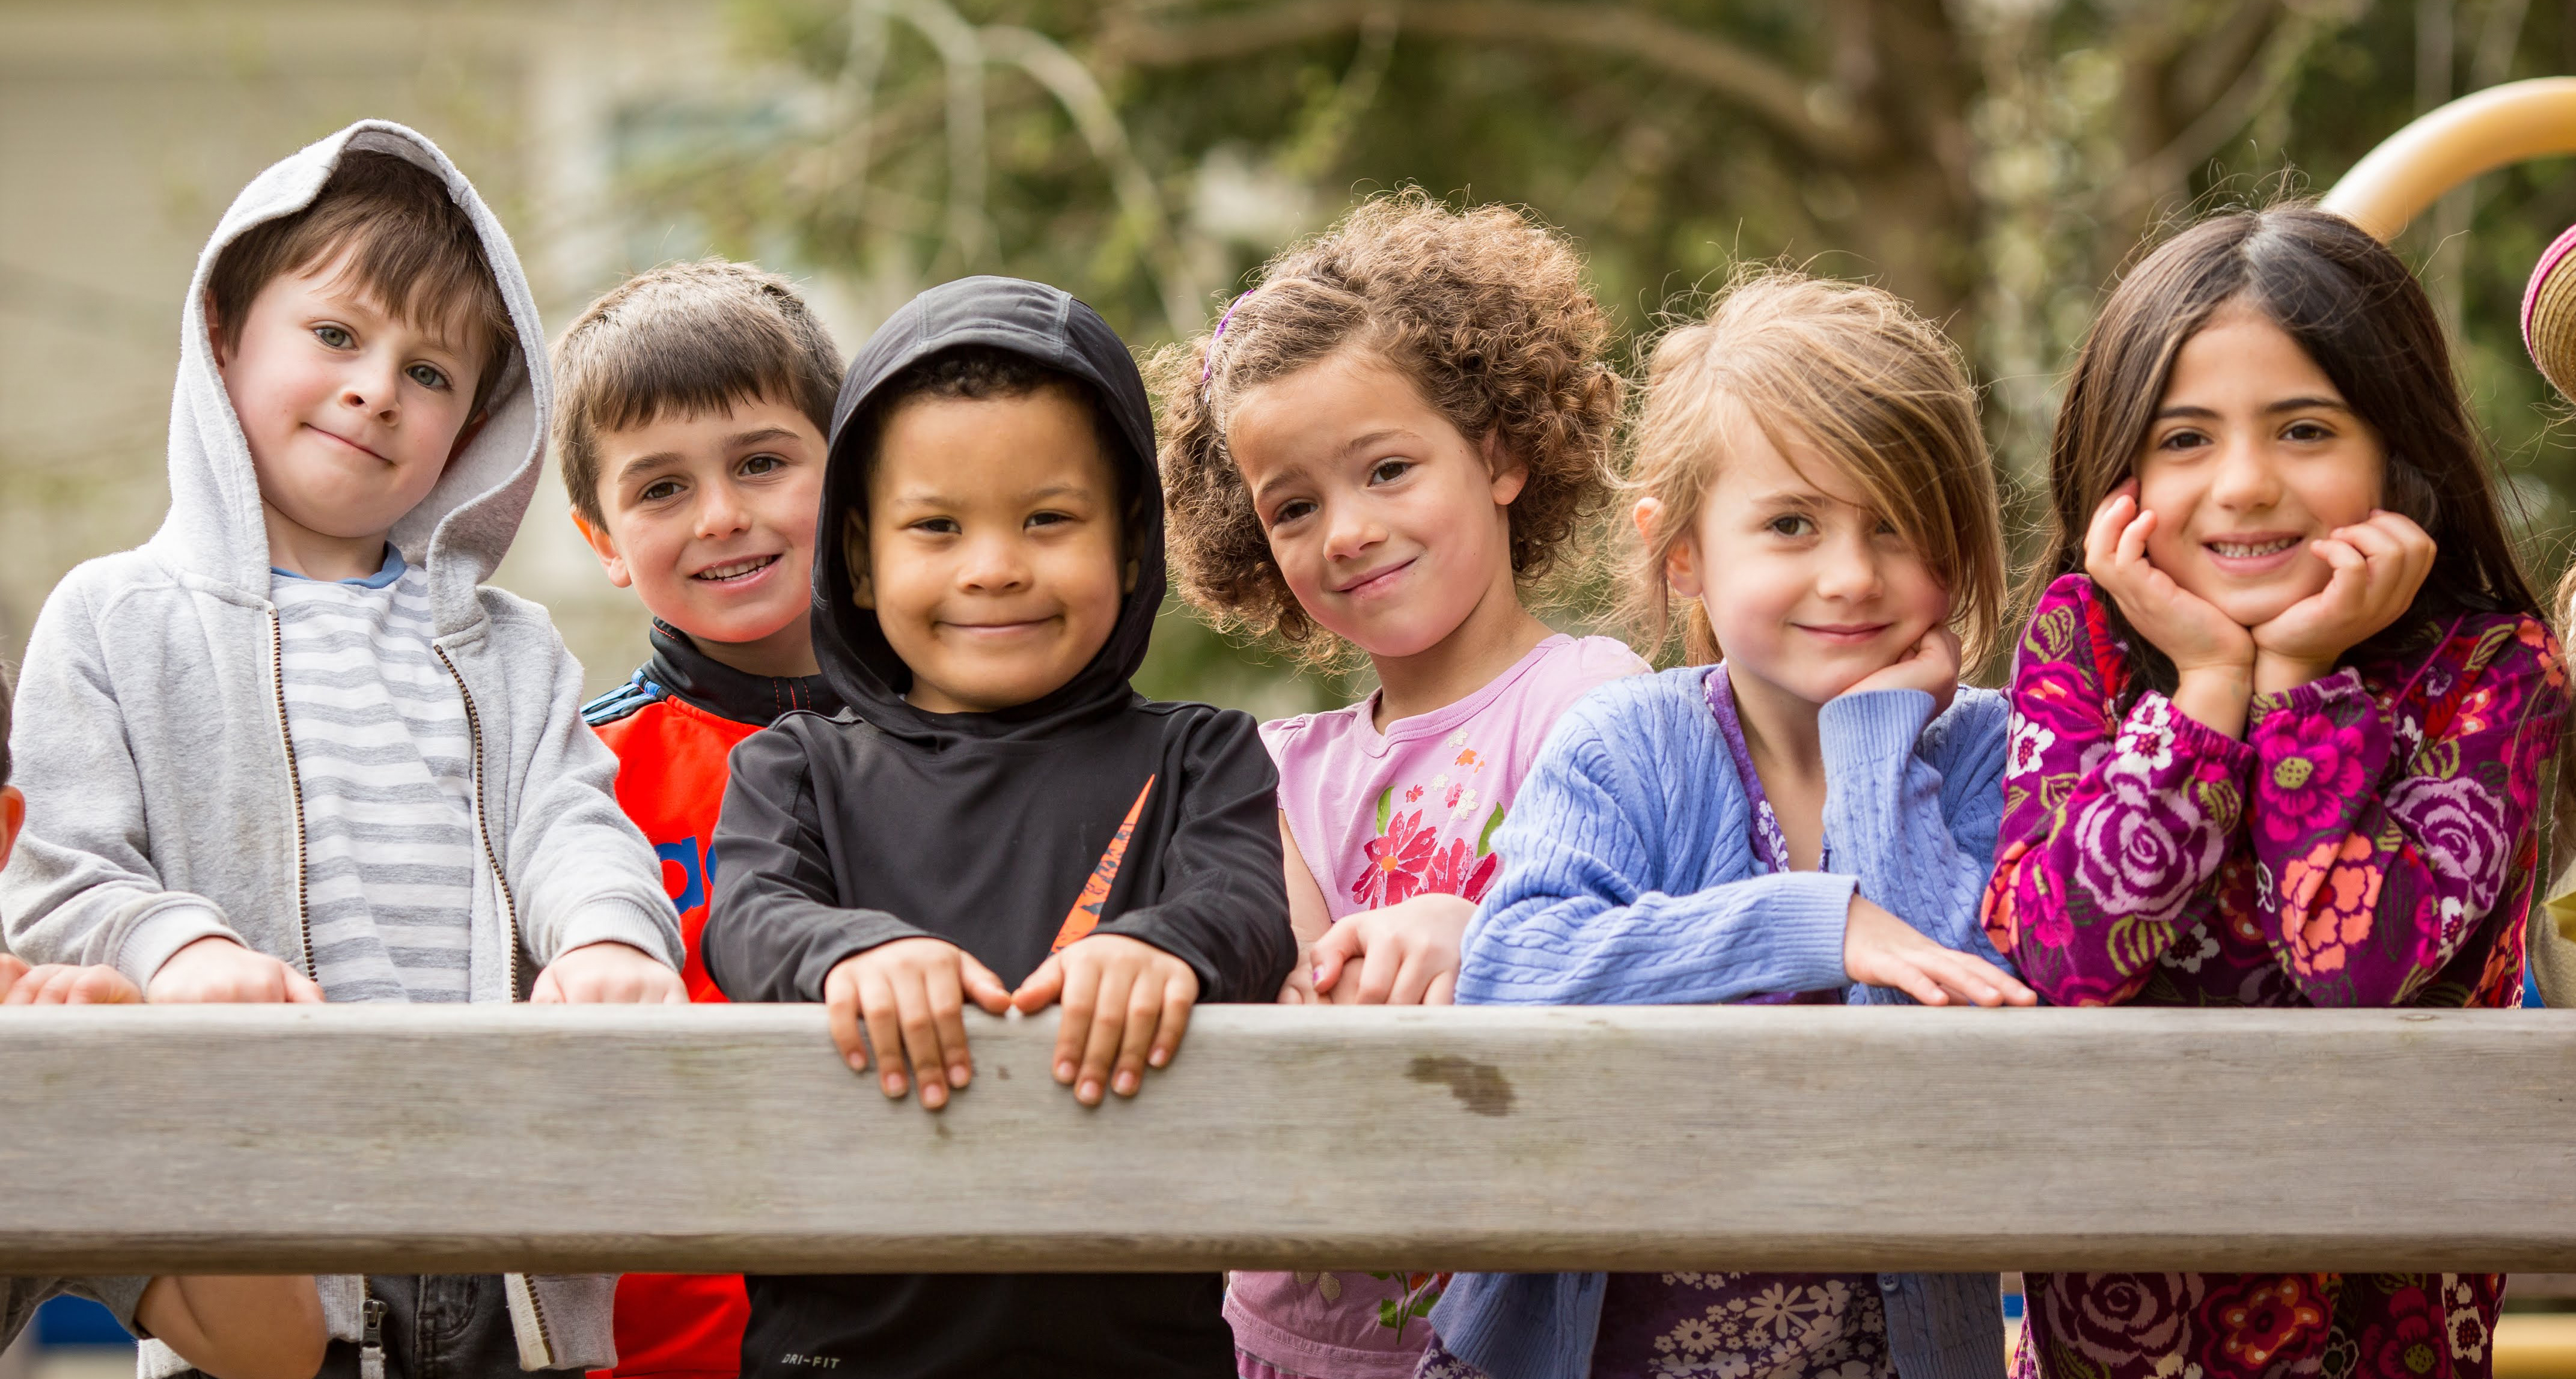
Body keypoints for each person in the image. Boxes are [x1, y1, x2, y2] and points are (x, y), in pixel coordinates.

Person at [0, 121, 686, 1378]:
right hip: (259, 1242)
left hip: (499, 1239)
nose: (378, 386)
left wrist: (604, 934)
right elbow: (58, 878)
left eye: (432, 373)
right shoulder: (114, 617)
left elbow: (576, 823)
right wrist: (185, 948)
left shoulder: (509, 649)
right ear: (223, 335)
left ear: (478, 423)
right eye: (335, 335)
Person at [1984, 205, 2567, 1379]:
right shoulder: (2083, 640)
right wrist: (2204, 689)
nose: (2244, 485)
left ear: (2396, 455)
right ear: (2120, 468)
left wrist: (2296, 687)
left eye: (2303, 429)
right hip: (2112, 1330)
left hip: (2384, 1325)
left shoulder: (2490, 673)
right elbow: (2063, 954)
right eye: (2185, 439)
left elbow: (2359, 972)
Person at [1418, 272, 2032, 1379]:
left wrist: (1877, 745)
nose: (1851, 575)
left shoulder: (1992, 753)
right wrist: (1810, 924)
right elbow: (1510, 968)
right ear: (1683, 548)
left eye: (1895, 525)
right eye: (1790, 523)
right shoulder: (1628, 747)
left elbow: (1964, 1041)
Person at [701, 275, 1296, 1379]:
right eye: (935, 526)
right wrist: (854, 952)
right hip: (841, 1351)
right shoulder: (794, 766)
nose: (993, 565)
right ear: (862, 563)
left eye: (1046, 518)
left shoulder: (1200, 756)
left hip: (1137, 1355)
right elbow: (746, 917)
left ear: (1128, 544)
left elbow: (1247, 911)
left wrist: (1159, 945)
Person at [1154, 193, 1645, 1379]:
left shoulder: (1596, 700)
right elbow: (1282, 1021)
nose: (1348, 531)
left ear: (1501, 453)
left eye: (1386, 468)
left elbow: (1648, 940)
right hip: (1290, 1337)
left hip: (1529, 1328)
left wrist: (1480, 928)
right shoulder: (1267, 769)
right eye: (1294, 505)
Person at [553, 260, 847, 1379]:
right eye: (661, 488)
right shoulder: (574, 781)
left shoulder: (964, 741)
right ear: (602, 543)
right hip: (655, 1347)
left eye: (764, 462)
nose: (724, 516)